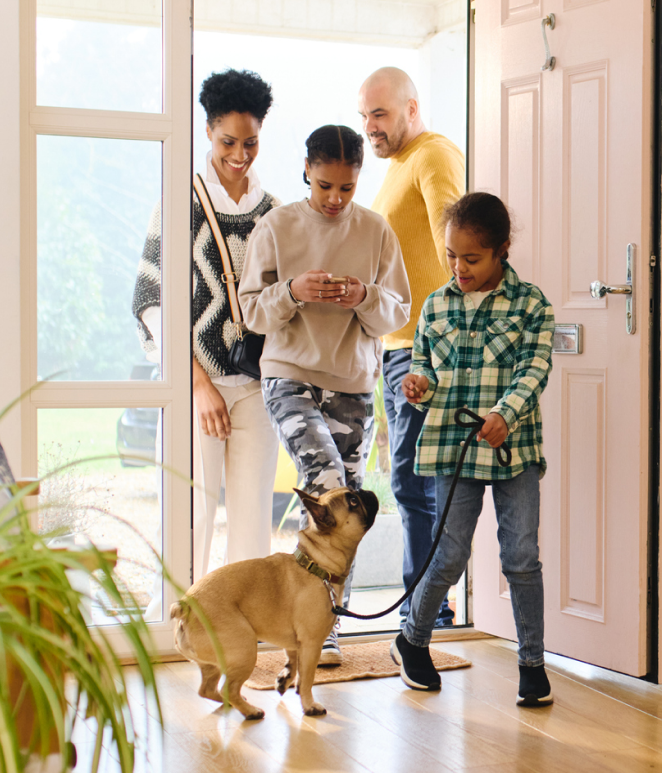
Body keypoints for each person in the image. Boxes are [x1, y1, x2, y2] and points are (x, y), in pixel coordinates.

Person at [238, 125, 411, 665]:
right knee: (330, 488)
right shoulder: (277, 226)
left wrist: (363, 295)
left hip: (353, 383)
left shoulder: (377, 231)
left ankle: (319, 626)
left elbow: (398, 311)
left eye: (347, 188)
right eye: (325, 186)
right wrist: (292, 291)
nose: (336, 199)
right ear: (307, 172)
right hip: (288, 373)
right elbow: (250, 310)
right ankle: (308, 624)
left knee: (349, 508)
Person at [390, 192, 555, 708]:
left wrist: (505, 413)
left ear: (501, 250)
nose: (459, 268)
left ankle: (532, 663)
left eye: (472, 259)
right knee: (450, 554)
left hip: (513, 448)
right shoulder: (436, 305)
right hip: (451, 449)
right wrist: (418, 385)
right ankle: (412, 641)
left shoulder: (532, 305)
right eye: (451, 257)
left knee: (521, 557)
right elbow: (428, 371)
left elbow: (535, 369)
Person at [132, 68, 280, 587]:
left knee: (251, 525)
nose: (240, 154)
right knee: (188, 517)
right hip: (194, 387)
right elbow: (152, 300)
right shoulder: (180, 202)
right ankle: (176, 628)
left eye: (251, 142)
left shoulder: (273, 213)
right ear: (208, 132)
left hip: (256, 390)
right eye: (228, 141)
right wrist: (196, 383)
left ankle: (248, 631)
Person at [358, 66, 465, 628]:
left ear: (412, 108)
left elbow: (457, 246)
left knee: (416, 478)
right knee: (409, 479)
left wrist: (440, 341)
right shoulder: (398, 166)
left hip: (425, 347)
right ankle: (428, 606)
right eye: (365, 116)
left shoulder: (432, 155)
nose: (370, 126)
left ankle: (428, 609)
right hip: (397, 346)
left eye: (380, 113)